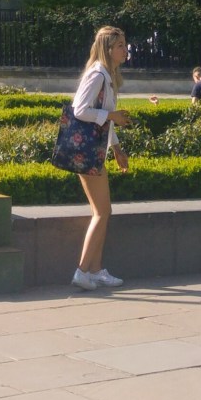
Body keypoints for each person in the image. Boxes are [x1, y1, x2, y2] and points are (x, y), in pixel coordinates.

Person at [63, 26, 131, 292]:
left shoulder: (106, 75)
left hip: (94, 149)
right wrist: (112, 116)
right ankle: (83, 271)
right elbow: (80, 109)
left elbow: (103, 117)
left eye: (125, 44)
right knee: (103, 212)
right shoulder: (98, 74)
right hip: (88, 151)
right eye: (120, 45)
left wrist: (116, 148)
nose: (125, 50)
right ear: (108, 48)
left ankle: (95, 270)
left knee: (101, 212)